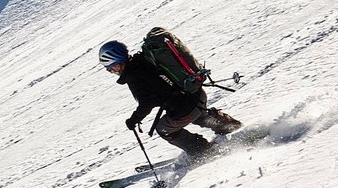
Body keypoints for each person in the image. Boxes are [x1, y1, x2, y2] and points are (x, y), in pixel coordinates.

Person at [97, 40, 241, 159]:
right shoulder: (143, 60)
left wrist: (134, 120)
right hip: (195, 94)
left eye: (111, 69)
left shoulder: (133, 76)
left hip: (187, 107)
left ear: (117, 63)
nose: (112, 72)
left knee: (164, 129)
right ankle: (231, 125)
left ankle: (204, 151)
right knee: (199, 116)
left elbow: (147, 103)